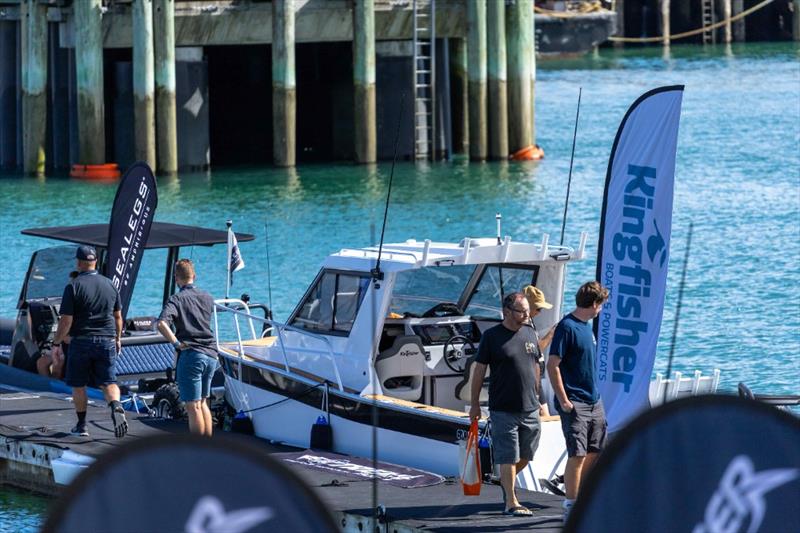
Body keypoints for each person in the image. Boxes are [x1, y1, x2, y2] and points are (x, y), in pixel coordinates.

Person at [469, 292, 543, 517]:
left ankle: (505, 480)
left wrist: (538, 396)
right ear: (507, 311)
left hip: (530, 406)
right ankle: (511, 501)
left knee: (528, 453)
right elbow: (479, 370)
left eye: (527, 311)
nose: (526, 314)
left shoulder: (530, 331)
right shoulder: (491, 337)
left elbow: (536, 364)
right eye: (522, 311)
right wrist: (474, 405)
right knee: (508, 455)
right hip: (503, 407)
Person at [546, 281, 609, 520]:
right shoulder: (567, 326)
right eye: (601, 305)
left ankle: (584, 497)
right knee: (577, 454)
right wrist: (564, 400)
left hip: (595, 400)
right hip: (575, 401)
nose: (601, 310)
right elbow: (553, 365)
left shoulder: (587, 327)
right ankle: (571, 503)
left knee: (596, 450)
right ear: (594, 304)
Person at [52, 247, 127, 438]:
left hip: (82, 342)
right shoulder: (110, 284)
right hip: (107, 341)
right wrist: (117, 339)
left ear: (78, 263)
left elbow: (66, 320)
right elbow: (118, 317)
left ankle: (82, 425)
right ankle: (116, 406)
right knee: (109, 381)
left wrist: (56, 342)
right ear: (95, 262)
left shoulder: (73, 286)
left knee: (79, 385)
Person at [157, 259, 219, 437]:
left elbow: (161, 323)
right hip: (211, 354)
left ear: (176, 278)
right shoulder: (207, 297)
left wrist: (176, 343)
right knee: (203, 402)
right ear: (194, 276)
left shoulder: (176, 299)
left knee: (192, 405)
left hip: (192, 354)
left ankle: (197, 449)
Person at [38, 271, 79, 379]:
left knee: (50, 363)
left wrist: (57, 343)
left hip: (73, 346)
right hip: (71, 344)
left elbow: (66, 333)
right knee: (43, 361)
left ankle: (53, 387)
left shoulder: (74, 303)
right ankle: (50, 385)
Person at [523, 285, 555, 416]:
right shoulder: (524, 325)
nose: (540, 312)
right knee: (543, 414)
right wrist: (552, 333)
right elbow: (536, 349)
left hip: (536, 377)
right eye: (538, 308)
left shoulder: (529, 322)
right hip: (531, 377)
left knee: (545, 414)